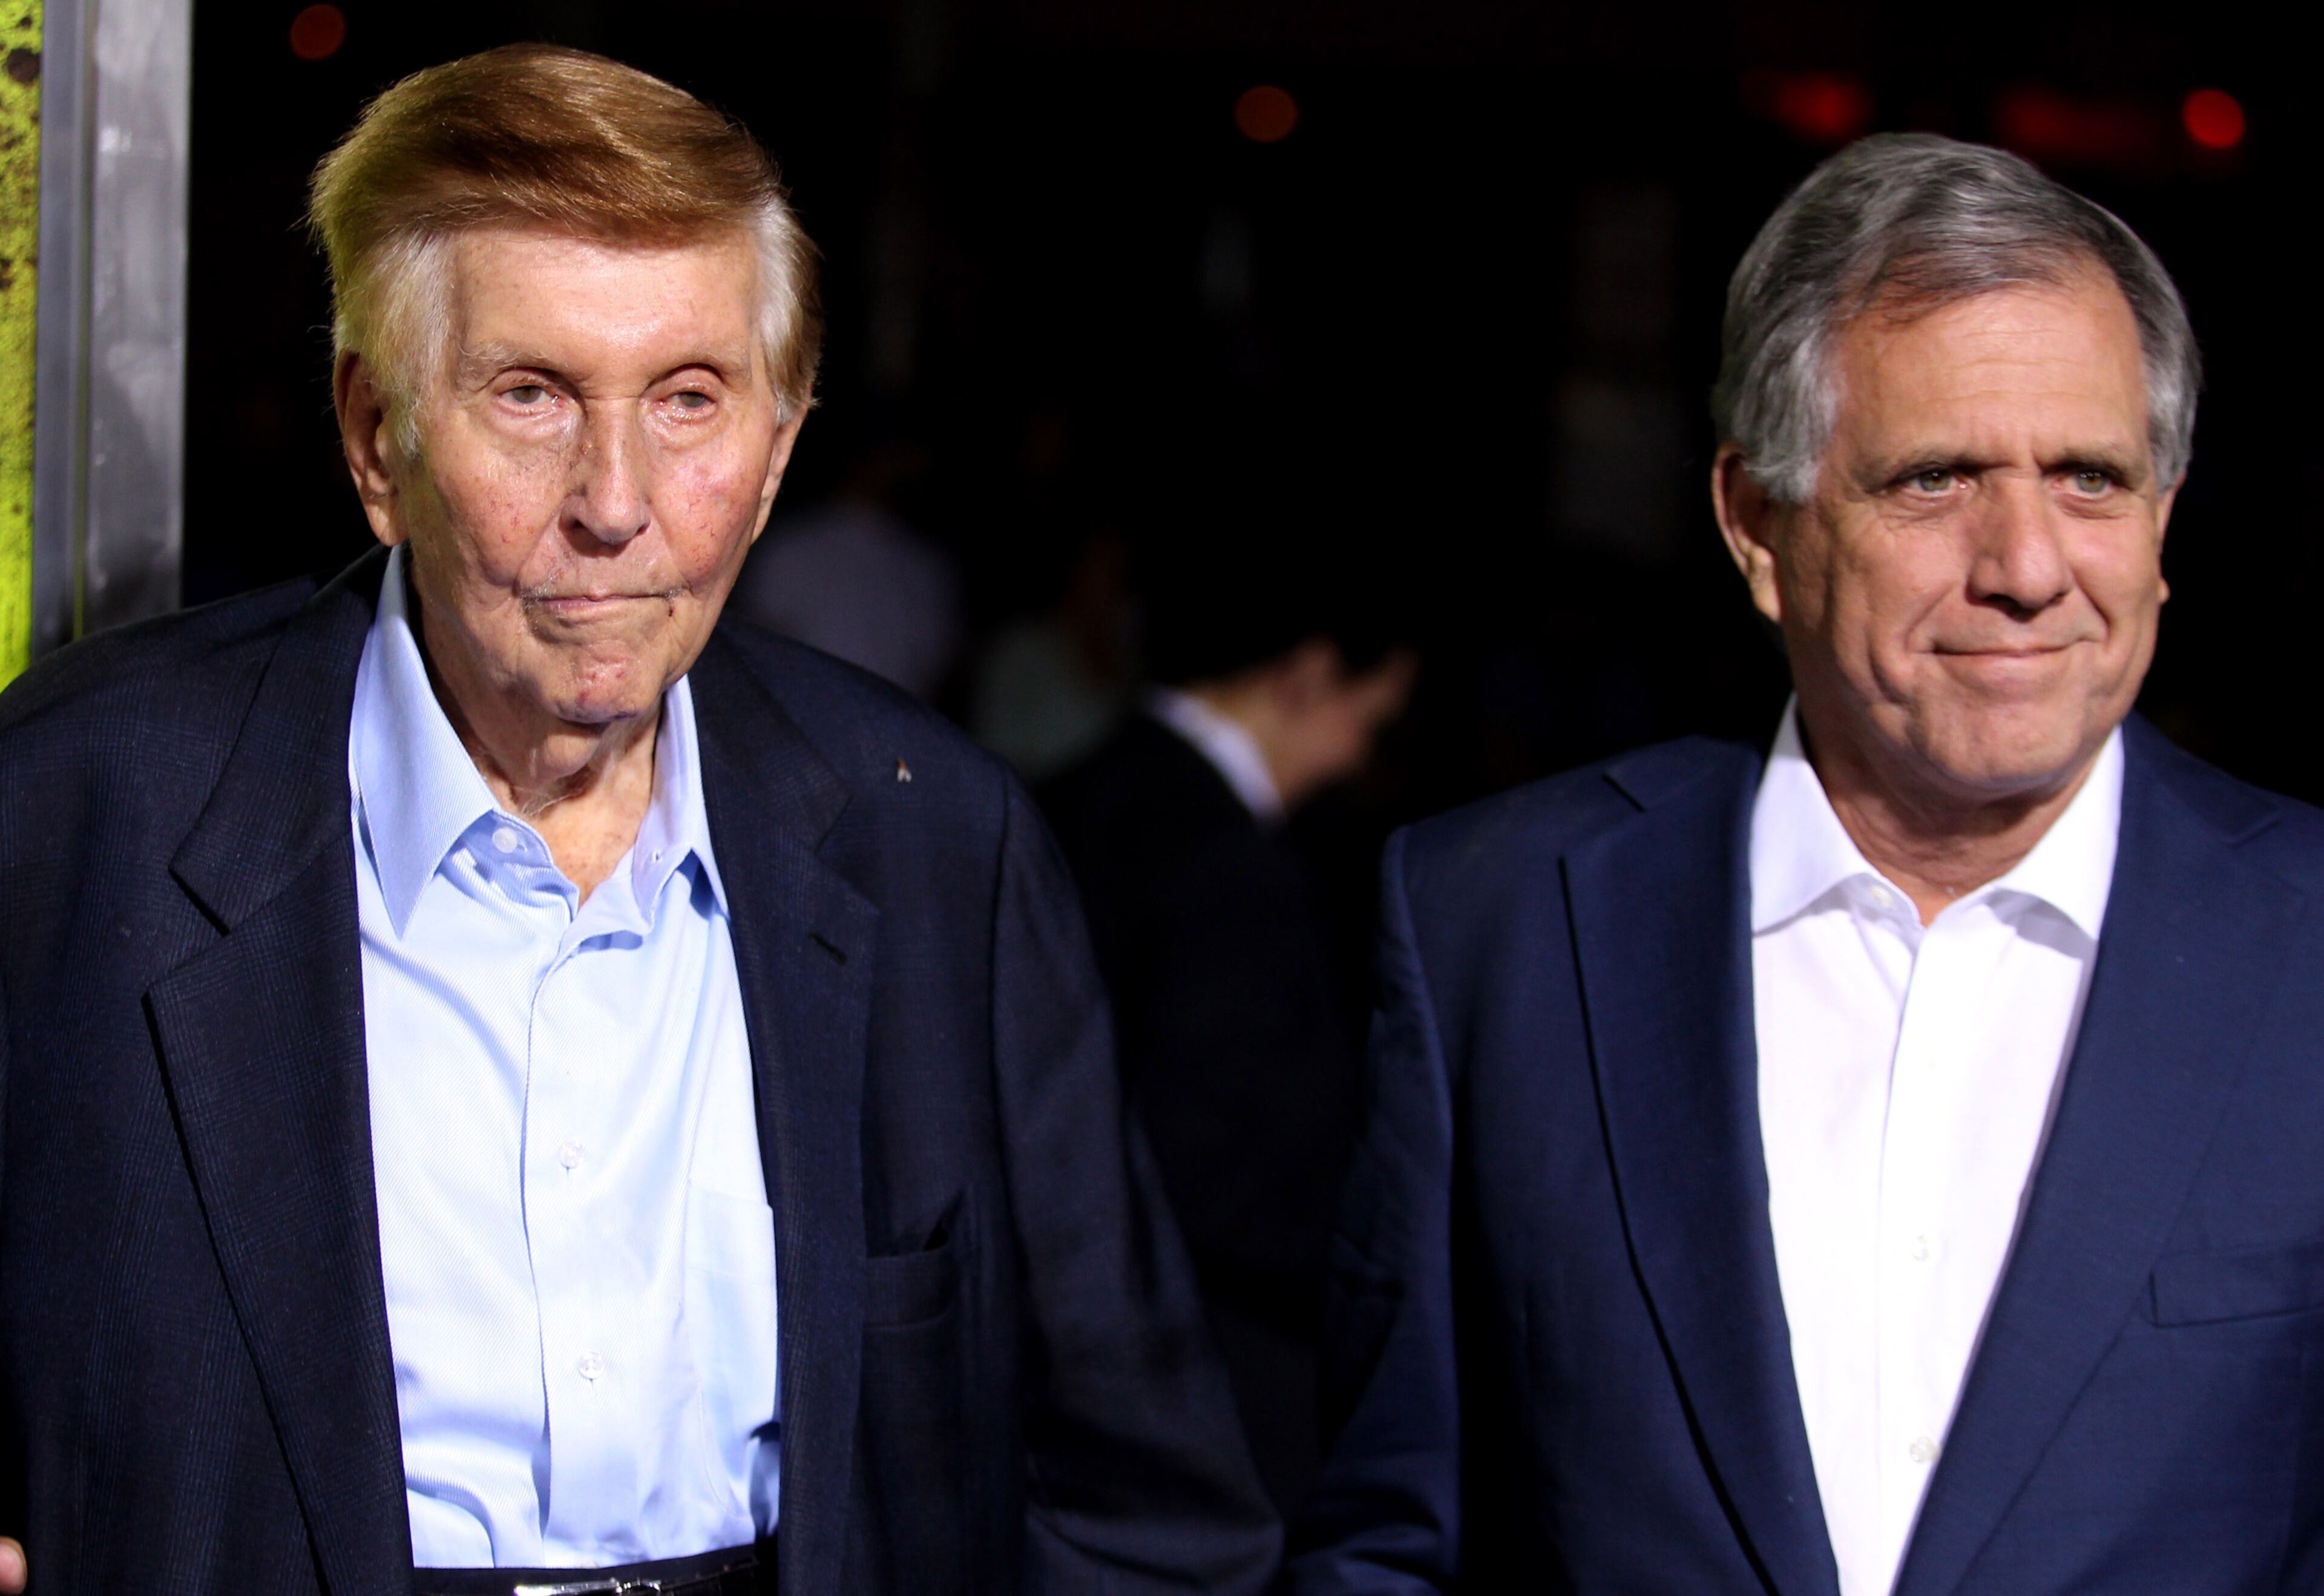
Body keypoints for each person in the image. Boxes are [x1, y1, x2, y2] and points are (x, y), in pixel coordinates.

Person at [0, 46, 1275, 1596]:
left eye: (688, 400)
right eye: (531, 395)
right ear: (375, 438)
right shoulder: (76, 814)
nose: (615, 501)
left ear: (779, 449)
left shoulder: (935, 837)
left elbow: (1146, 1509)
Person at [1288, 133, 2324, 1595]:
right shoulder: (1496, 926)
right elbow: (1391, 1540)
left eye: (2091, 477)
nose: (2028, 565)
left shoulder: (2307, 946)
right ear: (1758, 525)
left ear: (2164, 523)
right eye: (1936, 479)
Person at [1043, 521, 1414, 1519]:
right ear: (1309, 675)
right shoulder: (1240, 876)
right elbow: (1235, 1168)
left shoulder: (1058, 796)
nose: (1357, 758)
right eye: (1370, 721)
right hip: (1198, 1386)